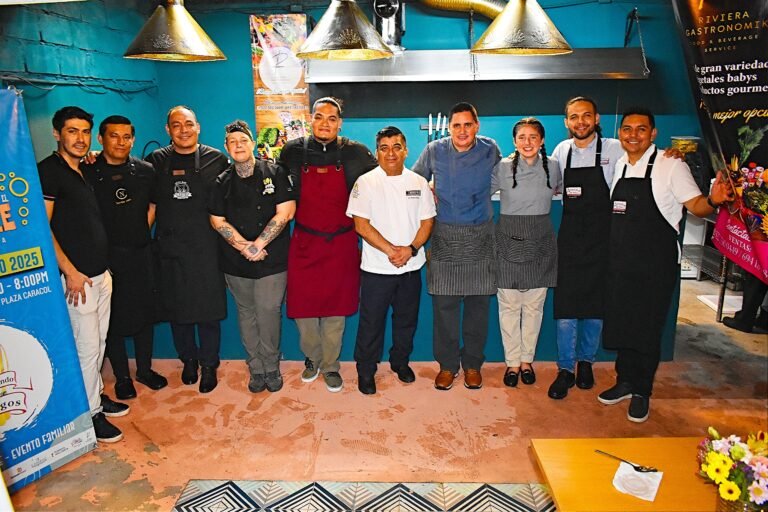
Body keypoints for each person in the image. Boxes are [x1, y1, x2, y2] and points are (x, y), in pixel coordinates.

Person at [598, 107, 734, 423]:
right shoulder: (620, 164)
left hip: (654, 266)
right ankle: (625, 382)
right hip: (620, 263)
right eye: (627, 129)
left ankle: (642, 391)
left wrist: (713, 199)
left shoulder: (670, 164)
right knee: (623, 324)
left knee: (646, 329)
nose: (633, 135)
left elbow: (697, 207)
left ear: (653, 133)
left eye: (641, 129)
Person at [548, 97, 685, 400]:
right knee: (566, 309)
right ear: (566, 122)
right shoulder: (561, 151)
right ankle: (565, 369)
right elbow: (551, 186)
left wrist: (672, 155)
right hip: (570, 241)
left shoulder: (615, 149)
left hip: (605, 241)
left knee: (597, 306)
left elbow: (648, 157)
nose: (580, 122)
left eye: (586, 116)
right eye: (573, 117)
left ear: (596, 118)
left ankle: (587, 363)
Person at [39, 106, 128, 443]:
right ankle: (89, 415)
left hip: (99, 274)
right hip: (78, 280)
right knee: (87, 348)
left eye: (84, 132)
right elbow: (43, 228)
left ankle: (96, 398)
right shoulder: (48, 172)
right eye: (72, 131)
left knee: (99, 343)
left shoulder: (82, 169)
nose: (80, 138)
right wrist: (70, 271)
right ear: (57, 133)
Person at [278, 97, 378, 393]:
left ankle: (332, 366)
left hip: (342, 242)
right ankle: (313, 359)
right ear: (310, 119)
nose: (325, 123)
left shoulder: (356, 153)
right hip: (305, 241)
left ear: (340, 122)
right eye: (319, 117)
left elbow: (379, 184)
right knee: (303, 309)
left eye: (332, 118)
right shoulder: (292, 151)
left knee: (336, 311)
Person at [413, 102, 501, 391]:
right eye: (456, 125)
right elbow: (414, 181)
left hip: (480, 236)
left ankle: (473, 364)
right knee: (444, 308)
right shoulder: (434, 150)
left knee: (478, 307)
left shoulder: (491, 150)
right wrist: (426, 192)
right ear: (449, 127)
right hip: (445, 236)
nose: (462, 131)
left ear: (477, 126)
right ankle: (448, 366)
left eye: (467, 125)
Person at [346, 126, 436, 395]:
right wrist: (390, 250)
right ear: (377, 153)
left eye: (397, 146)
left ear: (406, 150)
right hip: (376, 269)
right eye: (384, 148)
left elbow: (427, 221)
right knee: (371, 323)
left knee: (406, 320)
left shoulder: (418, 183)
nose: (391, 153)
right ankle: (366, 370)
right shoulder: (365, 182)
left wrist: (410, 249)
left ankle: (400, 362)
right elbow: (361, 225)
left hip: (410, 268)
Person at [145, 105, 229, 394]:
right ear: (168, 130)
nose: (184, 130)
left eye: (189, 124)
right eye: (177, 125)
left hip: (207, 249)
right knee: (178, 311)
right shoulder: (155, 161)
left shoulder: (216, 159)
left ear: (199, 127)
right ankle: (188, 361)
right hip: (170, 248)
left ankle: (209, 365)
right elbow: (148, 203)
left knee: (209, 312)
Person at [83, 115, 167, 400]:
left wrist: (143, 227)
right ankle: (122, 377)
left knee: (145, 314)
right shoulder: (87, 171)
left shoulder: (145, 170)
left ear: (133, 139)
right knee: (113, 319)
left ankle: (144, 370)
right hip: (107, 258)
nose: (121, 142)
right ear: (101, 139)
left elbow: (154, 202)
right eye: (113, 136)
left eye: (126, 137)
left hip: (141, 254)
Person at [209, 120, 296, 393]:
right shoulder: (221, 181)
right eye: (232, 142)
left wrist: (258, 244)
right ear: (226, 147)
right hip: (235, 261)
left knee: (268, 312)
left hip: (272, 259)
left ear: (253, 143)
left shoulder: (275, 172)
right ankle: (255, 368)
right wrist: (243, 247)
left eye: (243, 140)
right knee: (246, 314)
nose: (238, 145)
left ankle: (271, 366)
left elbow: (286, 212)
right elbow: (216, 220)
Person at [493, 118, 561, 388]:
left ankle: (526, 361)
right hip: (507, 238)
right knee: (509, 306)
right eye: (522, 137)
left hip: (541, 239)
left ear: (542, 140)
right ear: (514, 141)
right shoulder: (502, 167)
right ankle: (511, 363)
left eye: (533, 137)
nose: (528, 142)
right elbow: (479, 192)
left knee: (534, 307)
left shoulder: (554, 167)